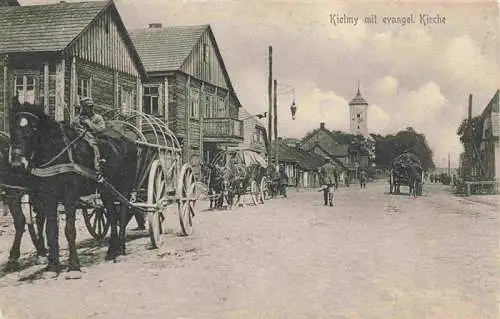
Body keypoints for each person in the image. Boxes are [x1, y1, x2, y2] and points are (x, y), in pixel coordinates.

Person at [73, 97, 106, 179]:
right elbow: (72, 126)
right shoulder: (77, 118)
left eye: (86, 107)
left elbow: (101, 129)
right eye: (83, 107)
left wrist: (89, 124)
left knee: (93, 146)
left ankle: (97, 167)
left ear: (91, 108)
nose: (83, 110)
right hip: (78, 138)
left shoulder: (98, 118)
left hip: (93, 138)